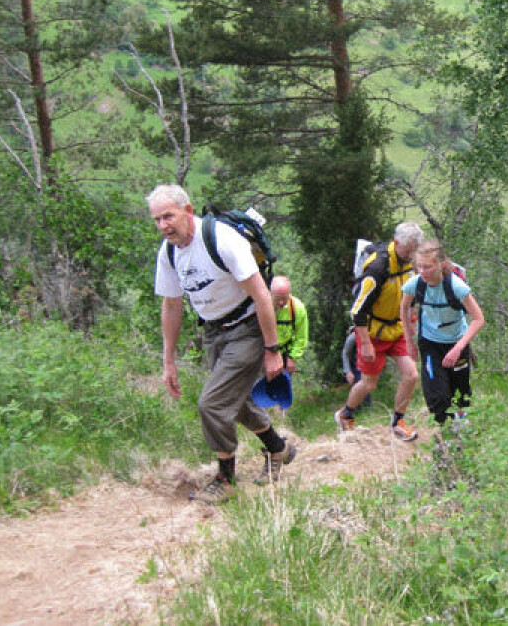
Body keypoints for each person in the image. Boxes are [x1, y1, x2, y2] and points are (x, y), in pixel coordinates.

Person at [147, 185, 297, 502]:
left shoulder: (222, 240)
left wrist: (273, 351)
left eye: (169, 216)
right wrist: (168, 360)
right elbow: (171, 306)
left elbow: (262, 296)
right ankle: (278, 448)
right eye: (157, 220)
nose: (163, 226)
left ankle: (226, 478)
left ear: (188, 211)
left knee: (212, 403)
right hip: (215, 332)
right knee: (235, 400)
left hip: (248, 327)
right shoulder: (169, 253)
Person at [334, 222, 425, 440]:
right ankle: (345, 414)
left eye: (415, 250)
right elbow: (357, 310)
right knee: (369, 383)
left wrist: (411, 320)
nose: (412, 254)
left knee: (411, 375)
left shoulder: (410, 263)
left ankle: (398, 422)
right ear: (396, 243)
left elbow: (410, 293)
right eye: (408, 250)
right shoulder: (377, 268)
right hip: (372, 333)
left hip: (396, 329)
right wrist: (364, 343)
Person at [400, 239, 484, 428]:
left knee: (460, 394)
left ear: (441, 265)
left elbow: (479, 319)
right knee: (437, 395)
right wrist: (408, 340)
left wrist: (458, 348)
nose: (422, 272)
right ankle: (443, 433)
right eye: (419, 266)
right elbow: (404, 306)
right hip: (430, 343)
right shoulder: (415, 284)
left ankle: (461, 434)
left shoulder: (456, 287)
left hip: (457, 341)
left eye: (428, 267)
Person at [271, 275, 308, 376]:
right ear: (271, 294)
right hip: (262, 350)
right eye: (278, 298)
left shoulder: (297, 308)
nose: (281, 302)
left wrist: (292, 358)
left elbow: (301, 337)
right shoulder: (262, 305)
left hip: (284, 351)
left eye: (285, 298)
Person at [341, 325, 371, 408]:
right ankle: (354, 408)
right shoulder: (353, 337)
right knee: (359, 382)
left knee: (367, 384)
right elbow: (345, 353)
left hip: (366, 363)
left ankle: (366, 407)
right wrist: (348, 372)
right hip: (355, 364)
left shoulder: (374, 336)